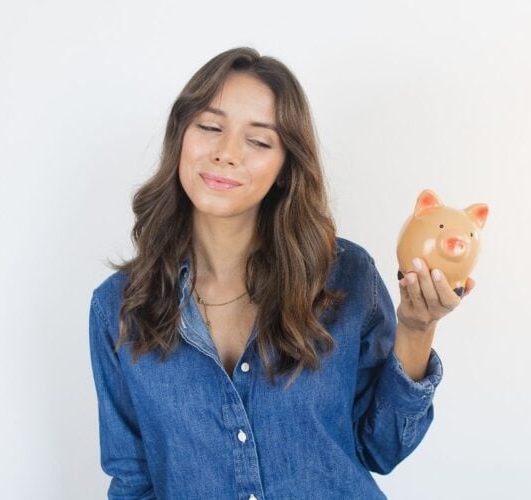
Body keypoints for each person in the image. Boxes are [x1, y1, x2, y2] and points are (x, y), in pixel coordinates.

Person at [88, 46, 475, 500]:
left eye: (259, 141)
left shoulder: (347, 277)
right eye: (210, 127)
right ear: (180, 138)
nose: (226, 153)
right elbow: (133, 480)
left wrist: (417, 325)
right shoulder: (118, 307)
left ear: (285, 167)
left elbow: (382, 448)